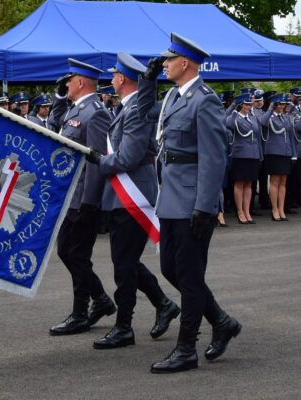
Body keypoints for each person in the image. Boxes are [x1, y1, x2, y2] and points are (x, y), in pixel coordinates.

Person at [138, 32, 242, 373]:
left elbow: (215, 158)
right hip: (171, 197)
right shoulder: (173, 98)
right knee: (171, 268)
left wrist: (205, 205)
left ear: (184, 63)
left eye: (167, 60)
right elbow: (143, 115)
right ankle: (221, 322)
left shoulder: (204, 100)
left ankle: (186, 349)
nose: (163, 64)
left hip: (192, 201)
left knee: (190, 275)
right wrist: (147, 80)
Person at [89, 52, 180, 349]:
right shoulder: (127, 109)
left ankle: (124, 327)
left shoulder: (136, 112)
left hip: (133, 197)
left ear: (122, 79)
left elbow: (127, 157)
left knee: (124, 265)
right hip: (122, 196)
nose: (111, 78)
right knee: (125, 261)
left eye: (115, 74)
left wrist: (98, 161)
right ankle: (163, 304)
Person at [46, 59, 115, 336]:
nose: (66, 83)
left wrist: (89, 201)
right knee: (70, 252)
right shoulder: (76, 108)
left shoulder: (95, 113)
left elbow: (97, 158)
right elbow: (54, 128)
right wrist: (60, 98)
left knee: (74, 253)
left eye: (70, 79)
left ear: (81, 82)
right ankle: (98, 300)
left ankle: (83, 310)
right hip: (70, 193)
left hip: (84, 195)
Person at [258, 94, 297, 221]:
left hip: (285, 153)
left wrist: (293, 154)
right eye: (279, 104)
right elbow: (262, 122)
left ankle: (281, 209)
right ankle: (274, 209)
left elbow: (291, 137)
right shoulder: (269, 117)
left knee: (283, 183)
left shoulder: (286, 118)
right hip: (274, 153)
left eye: (283, 104)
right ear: (275, 105)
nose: (282, 106)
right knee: (275, 182)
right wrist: (270, 108)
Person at [225, 94, 263, 224]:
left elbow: (257, 137)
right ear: (241, 105)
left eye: (249, 105)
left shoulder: (252, 118)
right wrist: (234, 108)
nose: (248, 107)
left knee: (249, 184)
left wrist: (259, 155)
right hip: (240, 155)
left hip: (253, 155)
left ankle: (246, 211)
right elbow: (227, 123)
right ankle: (240, 211)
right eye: (246, 104)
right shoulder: (235, 117)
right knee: (240, 183)